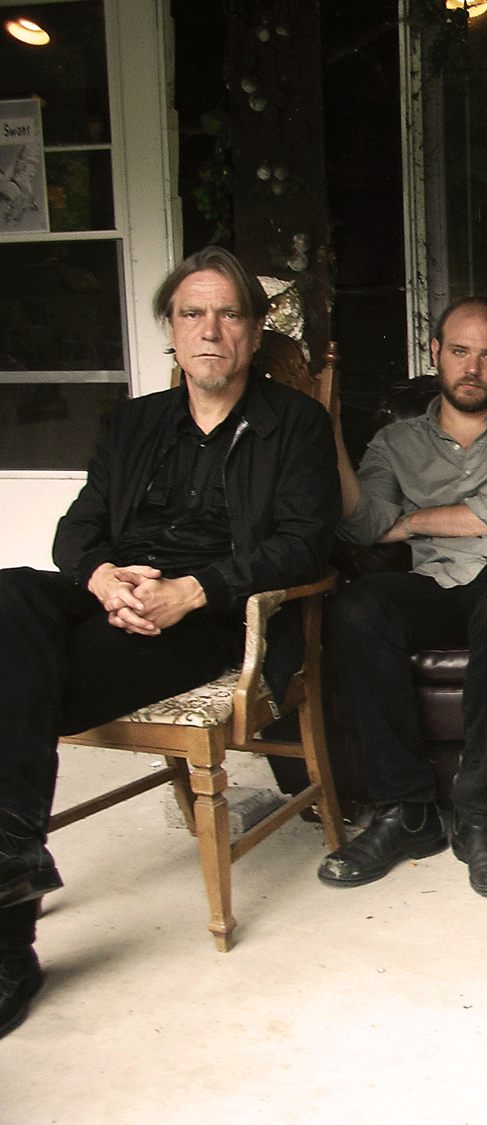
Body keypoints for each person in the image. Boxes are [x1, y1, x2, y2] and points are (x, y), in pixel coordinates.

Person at [0, 247, 339, 1038]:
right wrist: (103, 578)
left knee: (19, 681)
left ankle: (9, 943)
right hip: (120, 593)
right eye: (193, 314)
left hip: (208, 618)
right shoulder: (133, 421)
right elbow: (77, 528)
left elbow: (305, 544)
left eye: (229, 314)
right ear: (171, 328)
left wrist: (190, 591)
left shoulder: (294, 423)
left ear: (254, 330)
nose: (210, 331)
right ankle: (12, 866)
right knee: (9, 593)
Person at [317, 297, 487, 900]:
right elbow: (362, 526)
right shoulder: (394, 441)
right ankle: (405, 812)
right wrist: (328, 432)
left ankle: (479, 818)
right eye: (459, 351)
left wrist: (412, 520)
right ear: (434, 352)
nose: (472, 369)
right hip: (438, 581)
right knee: (358, 607)